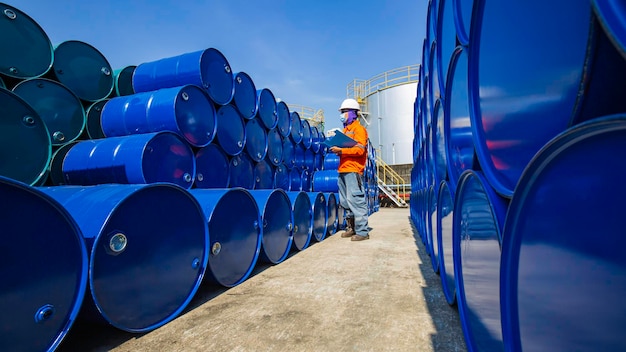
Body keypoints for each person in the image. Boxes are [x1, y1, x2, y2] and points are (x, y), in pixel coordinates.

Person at [329, 98, 370, 241]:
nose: (342, 114)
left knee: (356, 200)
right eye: (342, 112)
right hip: (343, 169)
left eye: (344, 112)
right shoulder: (345, 131)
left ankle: (363, 231)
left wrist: (341, 150)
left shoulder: (359, 129)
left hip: (353, 170)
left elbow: (360, 150)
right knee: (345, 201)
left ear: (353, 113)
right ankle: (351, 228)